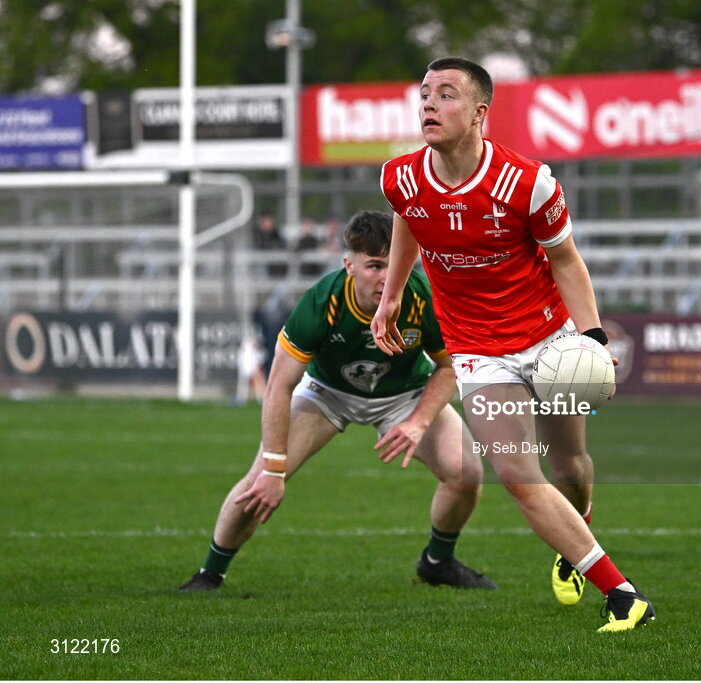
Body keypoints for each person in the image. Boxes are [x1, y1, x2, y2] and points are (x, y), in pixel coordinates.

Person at [371, 56, 653, 632]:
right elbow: (408, 218)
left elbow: (567, 261)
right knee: (520, 477)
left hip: (550, 340)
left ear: (480, 113)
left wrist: (593, 340)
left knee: (569, 464)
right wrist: (393, 294)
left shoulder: (528, 181)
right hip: (478, 351)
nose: (429, 103)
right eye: (424, 93)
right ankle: (623, 594)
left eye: (446, 95)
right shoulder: (398, 176)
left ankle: (577, 531)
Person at [180, 210, 496, 592]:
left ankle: (437, 562)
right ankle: (210, 573)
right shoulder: (320, 303)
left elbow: (450, 367)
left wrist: (418, 422)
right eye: (374, 266)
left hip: (404, 395)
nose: (385, 277)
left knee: (467, 474)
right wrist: (275, 469)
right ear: (349, 265)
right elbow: (279, 386)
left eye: (394, 264)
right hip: (328, 395)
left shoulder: (420, 297)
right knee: (259, 481)